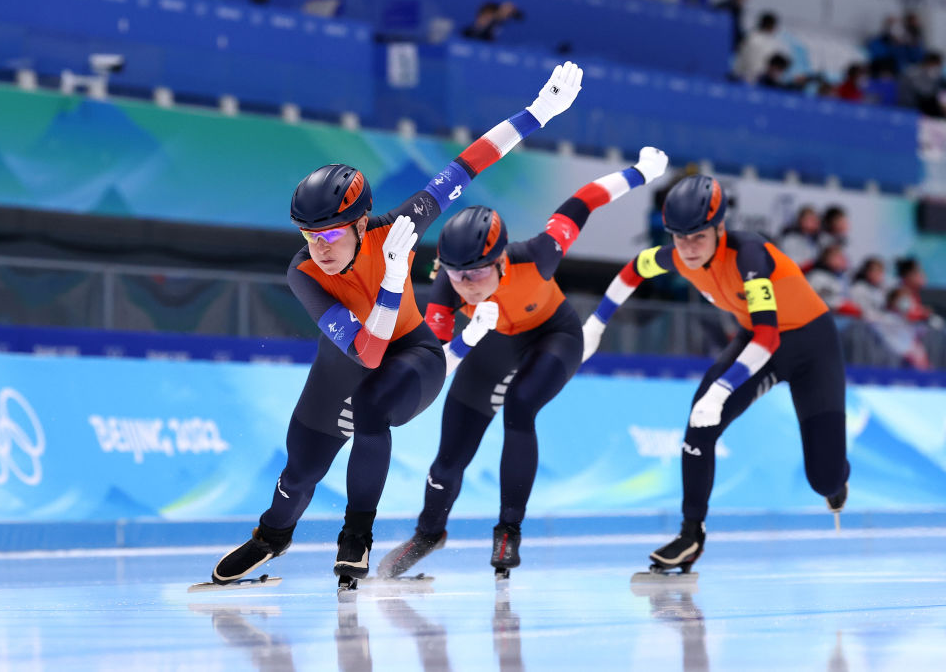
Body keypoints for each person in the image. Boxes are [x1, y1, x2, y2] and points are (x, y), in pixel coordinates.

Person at [210, 61, 585, 586]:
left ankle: (356, 535)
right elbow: (363, 352)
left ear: (361, 222)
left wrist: (538, 111)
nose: (319, 247)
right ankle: (272, 538)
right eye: (308, 235)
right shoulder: (302, 273)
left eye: (331, 233)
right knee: (298, 474)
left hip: (412, 355)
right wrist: (389, 283)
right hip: (347, 359)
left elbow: (467, 165)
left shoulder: (402, 225)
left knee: (370, 409)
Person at [377, 147, 670, 579]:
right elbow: (436, 364)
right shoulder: (446, 289)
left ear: (500, 261)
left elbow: (584, 199)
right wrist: (460, 343)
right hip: (490, 344)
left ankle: (508, 529)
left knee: (520, 406)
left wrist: (640, 172)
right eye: (456, 275)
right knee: (448, 457)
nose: (466, 287)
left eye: (475, 274)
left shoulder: (539, 254)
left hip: (553, 336)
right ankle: (428, 533)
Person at [581, 175, 851, 574]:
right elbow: (634, 270)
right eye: (679, 237)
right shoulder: (676, 255)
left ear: (719, 229)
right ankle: (690, 535)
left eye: (698, 237)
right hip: (756, 338)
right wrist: (597, 324)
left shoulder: (749, 256)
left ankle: (837, 480)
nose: (688, 248)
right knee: (699, 426)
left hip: (810, 346)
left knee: (824, 481)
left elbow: (768, 336)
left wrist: (721, 389)